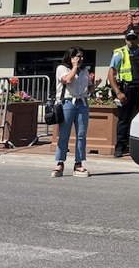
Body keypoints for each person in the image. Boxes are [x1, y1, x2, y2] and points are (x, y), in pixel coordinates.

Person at [108, 28, 139, 157]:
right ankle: (120, 147)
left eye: (133, 38)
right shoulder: (119, 53)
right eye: (129, 38)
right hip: (127, 89)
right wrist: (118, 92)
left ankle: (137, 147)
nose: (131, 41)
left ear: (137, 39)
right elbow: (111, 74)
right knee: (124, 119)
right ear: (125, 39)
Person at [53, 46, 95, 178]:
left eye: (82, 56)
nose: (80, 59)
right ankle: (60, 162)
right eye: (77, 56)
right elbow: (67, 80)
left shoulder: (85, 71)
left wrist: (95, 85)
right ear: (70, 57)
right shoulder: (62, 68)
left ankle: (79, 163)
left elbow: (88, 90)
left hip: (82, 103)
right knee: (64, 134)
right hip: (67, 103)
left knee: (81, 135)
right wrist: (74, 67)